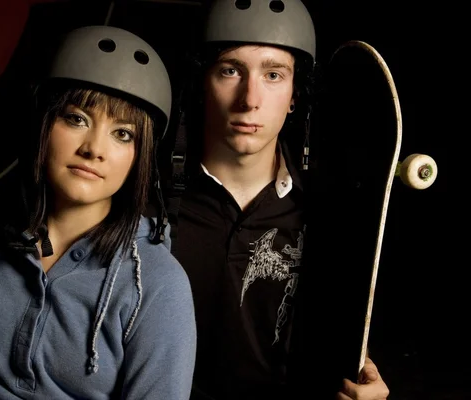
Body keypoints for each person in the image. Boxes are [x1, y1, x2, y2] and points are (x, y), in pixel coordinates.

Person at [0, 25, 196, 399]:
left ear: (139, 157)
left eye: (122, 134)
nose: (94, 149)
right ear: (43, 123)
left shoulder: (156, 285)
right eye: (77, 119)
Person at [155, 0, 390, 399]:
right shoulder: (150, 202)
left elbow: (344, 338)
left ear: (295, 94)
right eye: (230, 70)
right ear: (202, 82)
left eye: (273, 74)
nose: (250, 98)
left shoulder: (326, 216)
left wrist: (363, 385)